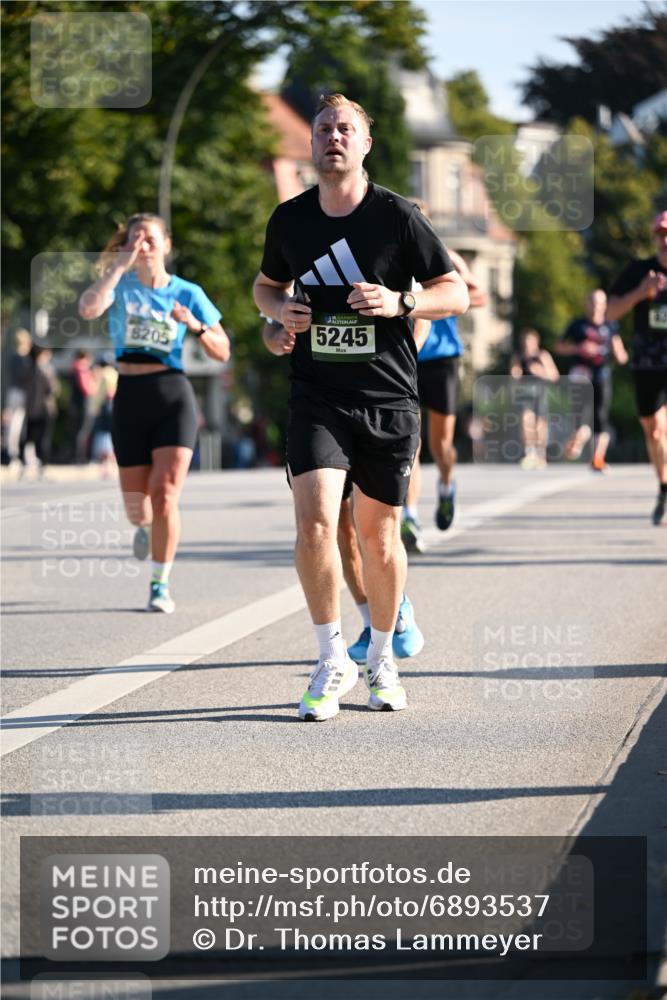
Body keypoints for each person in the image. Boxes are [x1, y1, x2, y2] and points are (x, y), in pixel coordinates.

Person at [253, 93, 468, 721]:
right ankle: (329, 657)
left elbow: (452, 290)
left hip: (387, 397)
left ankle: (380, 656)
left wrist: (402, 303)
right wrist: (278, 310)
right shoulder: (290, 220)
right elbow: (265, 286)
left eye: (346, 128)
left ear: (365, 144)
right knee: (317, 522)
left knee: (378, 537)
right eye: (323, 129)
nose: (333, 137)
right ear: (313, 143)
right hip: (317, 397)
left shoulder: (398, 218)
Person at [78, 212, 230, 612]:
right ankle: (143, 528)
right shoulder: (120, 287)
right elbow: (89, 309)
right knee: (137, 508)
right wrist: (117, 267)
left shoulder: (187, 292)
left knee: (165, 496)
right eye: (134, 239)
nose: (142, 245)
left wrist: (194, 324)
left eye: (150, 239)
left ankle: (160, 584)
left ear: (167, 245)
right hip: (129, 395)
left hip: (172, 393)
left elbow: (222, 349)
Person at [263, 317, 424, 664]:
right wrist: (279, 337)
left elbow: (422, 313)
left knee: (375, 527)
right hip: (322, 406)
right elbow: (270, 326)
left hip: (381, 398)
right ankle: (369, 623)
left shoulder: (385, 264)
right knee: (333, 523)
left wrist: (400, 363)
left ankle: (394, 607)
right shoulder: (299, 268)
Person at [401, 248, 487, 553]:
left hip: (443, 359)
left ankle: (447, 486)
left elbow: (478, 297)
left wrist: (442, 300)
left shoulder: (444, 256)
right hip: (407, 357)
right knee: (412, 442)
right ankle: (409, 517)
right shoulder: (392, 250)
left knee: (441, 445)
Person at [607, 211, 667, 524]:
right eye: (661, 233)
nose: (665, 240)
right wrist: (641, 292)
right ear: (654, 237)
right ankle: (664, 486)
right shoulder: (638, 271)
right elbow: (611, 312)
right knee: (655, 430)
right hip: (648, 361)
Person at [556, 289, 628, 471]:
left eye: (599, 302)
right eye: (592, 301)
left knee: (600, 416)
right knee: (578, 414)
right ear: (586, 303)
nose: (596, 305)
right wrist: (579, 349)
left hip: (601, 374)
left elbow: (622, 356)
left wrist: (616, 351)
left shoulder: (611, 326)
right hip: (580, 374)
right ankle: (579, 436)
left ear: (604, 305)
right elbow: (559, 347)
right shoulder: (577, 325)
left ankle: (597, 458)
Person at [510, 329, 560, 469]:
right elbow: (514, 373)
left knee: (540, 424)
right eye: (525, 341)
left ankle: (540, 453)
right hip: (525, 393)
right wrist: (515, 375)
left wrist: (540, 371)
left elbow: (554, 375)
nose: (527, 344)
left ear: (536, 342)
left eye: (530, 341)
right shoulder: (518, 356)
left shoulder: (542, 356)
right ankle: (529, 452)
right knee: (526, 420)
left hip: (540, 392)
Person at [19, 345, 58, 478]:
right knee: (38, 439)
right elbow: (53, 389)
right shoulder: (44, 370)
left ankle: (35, 466)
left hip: (35, 410)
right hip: (41, 409)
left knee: (34, 439)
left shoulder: (28, 370)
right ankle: (38, 466)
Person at [2, 328, 32, 466]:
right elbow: (23, 376)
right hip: (19, 392)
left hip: (18, 392)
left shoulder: (16, 357)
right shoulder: (20, 358)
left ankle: (18, 453)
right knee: (16, 424)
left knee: (18, 425)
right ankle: (12, 453)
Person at [90, 354, 119, 478]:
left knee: (103, 435)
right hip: (114, 407)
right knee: (111, 434)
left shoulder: (104, 375)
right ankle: (111, 465)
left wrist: (94, 408)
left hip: (105, 407)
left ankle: (106, 465)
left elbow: (101, 394)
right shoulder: (115, 374)